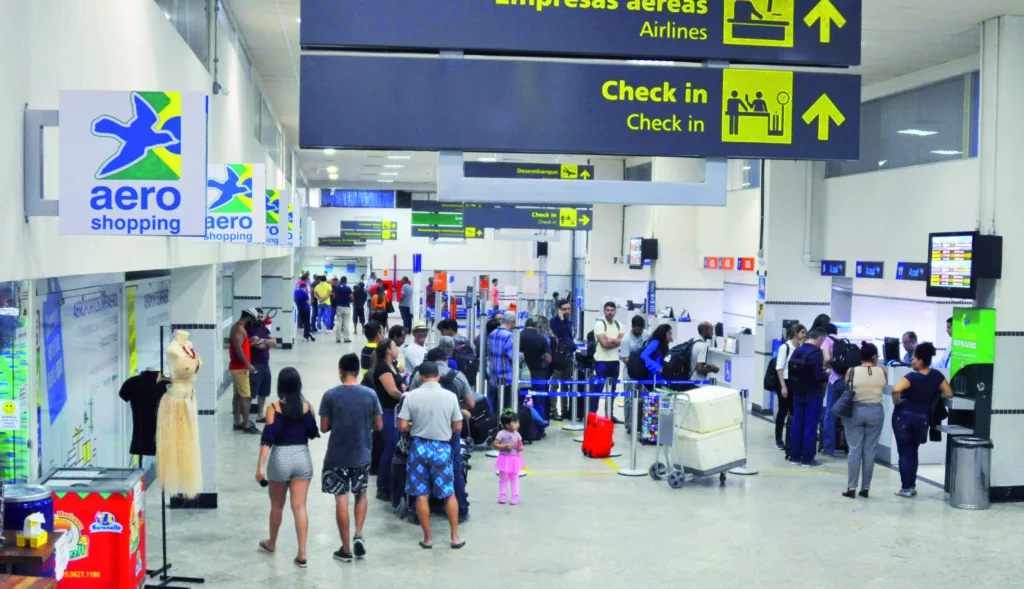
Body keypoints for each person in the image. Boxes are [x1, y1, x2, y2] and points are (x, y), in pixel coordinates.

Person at [319, 354, 383, 562]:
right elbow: (379, 425)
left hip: (337, 456)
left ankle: (345, 549)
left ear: (340, 371)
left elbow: (324, 427)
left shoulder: (330, 395)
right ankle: (359, 535)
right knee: (361, 494)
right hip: (362, 454)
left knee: (341, 499)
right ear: (357, 371)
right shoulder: (370, 395)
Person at [397, 361, 466, 549]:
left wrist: (416, 427)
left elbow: (402, 426)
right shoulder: (450, 396)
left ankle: (428, 539)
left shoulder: (411, 396)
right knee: (448, 493)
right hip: (441, 447)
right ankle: (455, 537)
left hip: (418, 446)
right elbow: (458, 426)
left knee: (421, 495)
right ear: (438, 376)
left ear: (421, 377)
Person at [255, 367, 319, 568]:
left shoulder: (273, 408)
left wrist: (260, 467)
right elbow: (312, 432)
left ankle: (272, 543)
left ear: (280, 385)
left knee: (276, 505)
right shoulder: (307, 406)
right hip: (302, 457)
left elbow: (268, 439)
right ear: (299, 385)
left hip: (280, 457)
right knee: (299, 507)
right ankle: (302, 553)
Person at [408, 347, 475, 522]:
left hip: (421, 434)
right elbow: (471, 402)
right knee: (454, 470)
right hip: (448, 432)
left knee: (420, 474)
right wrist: (454, 411)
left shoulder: (417, 377)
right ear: (445, 360)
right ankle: (460, 511)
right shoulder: (458, 376)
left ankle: (418, 514)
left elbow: (408, 401)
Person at [891, 343, 953, 498]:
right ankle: (911, 486)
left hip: (903, 418)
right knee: (913, 451)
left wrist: (897, 401)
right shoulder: (937, 376)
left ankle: (906, 488)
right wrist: (936, 396)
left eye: (914, 359)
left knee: (905, 453)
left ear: (920, 361)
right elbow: (949, 393)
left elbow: (896, 390)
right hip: (922, 419)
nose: (912, 362)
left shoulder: (911, 377)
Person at [841, 342, 887, 499]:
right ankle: (865, 487)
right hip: (875, 411)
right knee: (870, 450)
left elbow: (847, 386)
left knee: (854, 449)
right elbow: (883, 386)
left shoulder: (851, 371)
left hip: (856, 411)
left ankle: (851, 487)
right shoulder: (882, 371)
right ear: (874, 357)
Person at [788, 326, 829, 467]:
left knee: (797, 424)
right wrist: (826, 374)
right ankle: (807, 458)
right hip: (812, 395)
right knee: (810, 426)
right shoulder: (816, 354)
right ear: (820, 339)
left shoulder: (798, 350)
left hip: (797, 393)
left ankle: (795, 456)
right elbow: (818, 376)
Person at [370, 338, 404, 502]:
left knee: (394, 446)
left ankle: (391, 483)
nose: (397, 349)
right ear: (388, 351)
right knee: (390, 447)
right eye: (394, 347)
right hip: (387, 412)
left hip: (395, 411)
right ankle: (382, 485)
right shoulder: (383, 368)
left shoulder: (393, 365)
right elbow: (392, 391)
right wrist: (407, 396)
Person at [775, 323, 806, 450]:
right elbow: (779, 368)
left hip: (796, 383)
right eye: (802, 332)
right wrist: (783, 386)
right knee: (783, 411)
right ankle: (778, 438)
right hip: (785, 382)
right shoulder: (785, 348)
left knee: (794, 412)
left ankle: (791, 438)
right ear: (795, 334)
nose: (804, 335)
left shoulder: (802, 348)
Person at [230, 308, 260, 434]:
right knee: (245, 397)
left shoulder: (238, 328)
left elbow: (240, 346)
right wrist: (248, 364)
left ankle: (237, 422)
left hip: (238, 367)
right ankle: (247, 424)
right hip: (240, 368)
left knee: (237, 396)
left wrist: (250, 344)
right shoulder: (239, 329)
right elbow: (238, 348)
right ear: (249, 317)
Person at [593, 302, 623, 417]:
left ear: (615, 311)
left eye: (612, 310)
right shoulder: (600, 324)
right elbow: (604, 343)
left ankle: (609, 415)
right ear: (604, 311)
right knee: (598, 390)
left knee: (612, 391)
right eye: (608, 310)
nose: (610, 312)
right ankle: (592, 415)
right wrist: (615, 341)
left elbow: (622, 341)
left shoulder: (619, 324)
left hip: (615, 361)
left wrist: (611, 340)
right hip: (601, 361)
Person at [620, 315, 649, 432]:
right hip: (630, 371)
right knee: (629, 399)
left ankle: (640, 424)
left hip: (642, 372)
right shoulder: (626, 339)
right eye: (637, 329)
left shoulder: (646, 334)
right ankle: (629, 424)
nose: (639, 332)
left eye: (641, 329)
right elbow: (625, 358)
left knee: (642, 398)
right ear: (632, 327)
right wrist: (637, 363)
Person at [248, 309, 276, 423]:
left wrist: (263, 341)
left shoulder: (263, 328)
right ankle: (247, 418)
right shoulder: (249, 329)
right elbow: (259, 346)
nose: (259, 319)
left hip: (265, 364)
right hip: (255, 364)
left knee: (264, 391)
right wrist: (265, 342)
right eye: (257, 317)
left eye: (261, 317)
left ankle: (260, 415)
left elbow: (274, 341)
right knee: (251, 392)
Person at [520, 317, 552, 418]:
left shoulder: (518, 335)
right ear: (537, 326)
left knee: (520, 399)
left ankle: (520, 423)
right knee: (539, 400)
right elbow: (548, 359)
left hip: (521, 373)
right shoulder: (542, 338)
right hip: (538, 372)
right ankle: (539, 427)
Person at [549, 299, 575, 421]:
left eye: (568, 309)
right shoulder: (555, 321)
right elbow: (558, 333)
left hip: (568, 356)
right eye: (564, 309)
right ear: (559, 310)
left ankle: (565, 410)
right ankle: (553, 410)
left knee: (566, 385)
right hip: (558, 357)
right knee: (554, 385)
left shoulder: (569, 322)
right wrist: (561, 319)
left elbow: (569, 337)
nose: (567, 311)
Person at [820, 323, 843, 455]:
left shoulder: (827, 341)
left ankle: (829, 448)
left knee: (830, 414)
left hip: (834, 380)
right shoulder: (842, 341)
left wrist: (825, 367)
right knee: (846, 412)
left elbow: (827, 358)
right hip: (846, 380)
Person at [486, 311, 516, 412]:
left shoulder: (491, 334)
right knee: (506, 405)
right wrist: (522, 355)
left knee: (495, 403)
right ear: (512, 322)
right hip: (505, 376)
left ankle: (495, 425)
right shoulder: (509, 336)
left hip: (493, 375)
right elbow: (513, 355)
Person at [494, 411, 524, 505]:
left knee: (514, 479)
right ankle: (502, 496)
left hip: (514, 459)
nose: (517, 424)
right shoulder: (501, 433)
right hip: (504, 458)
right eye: (515, 422)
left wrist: (519, 448)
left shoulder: (517, 434)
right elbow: (495, 444)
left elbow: (520, 445)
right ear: (507, 424)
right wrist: (505, 446)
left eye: (518, 422)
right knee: (503, 479)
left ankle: (515, 496)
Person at [333, 277, 353, 343]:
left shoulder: (336, 288)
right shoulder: (348, 288)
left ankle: (338, 338)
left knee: (339, 322)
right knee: (346, 322)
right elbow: (351, 297)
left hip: (339, 306)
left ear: (340, 281)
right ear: (346, 281)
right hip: (346, 306)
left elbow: (334, 297)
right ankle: (346, 338)